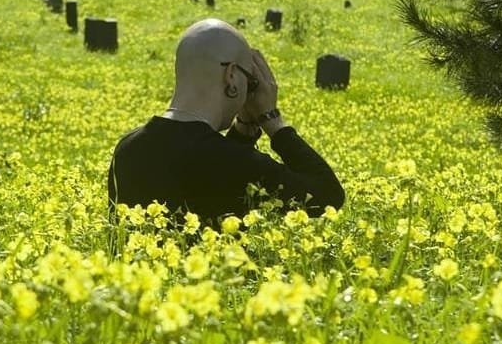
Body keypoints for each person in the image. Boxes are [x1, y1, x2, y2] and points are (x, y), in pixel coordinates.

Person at [108, 18, 345, 222]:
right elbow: (328, 196)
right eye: (250, 82)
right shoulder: (236, 163)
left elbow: (208, 163)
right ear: (231, 76)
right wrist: (272, 121)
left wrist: (243, 130)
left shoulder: (127, 149)